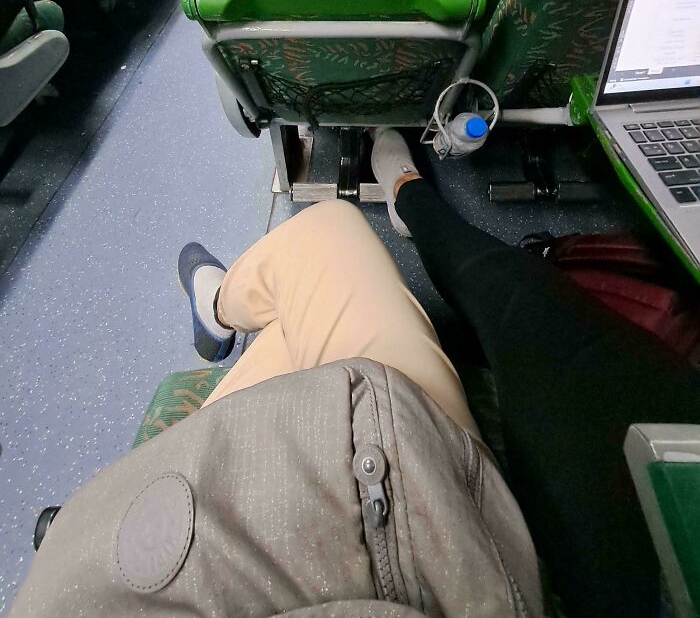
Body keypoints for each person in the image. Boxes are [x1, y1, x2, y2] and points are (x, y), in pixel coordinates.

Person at [11, 130, 700, 618]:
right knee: (330, 292)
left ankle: (220, 305)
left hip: (410, 561)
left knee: (327, 234)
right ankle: (251, 289)